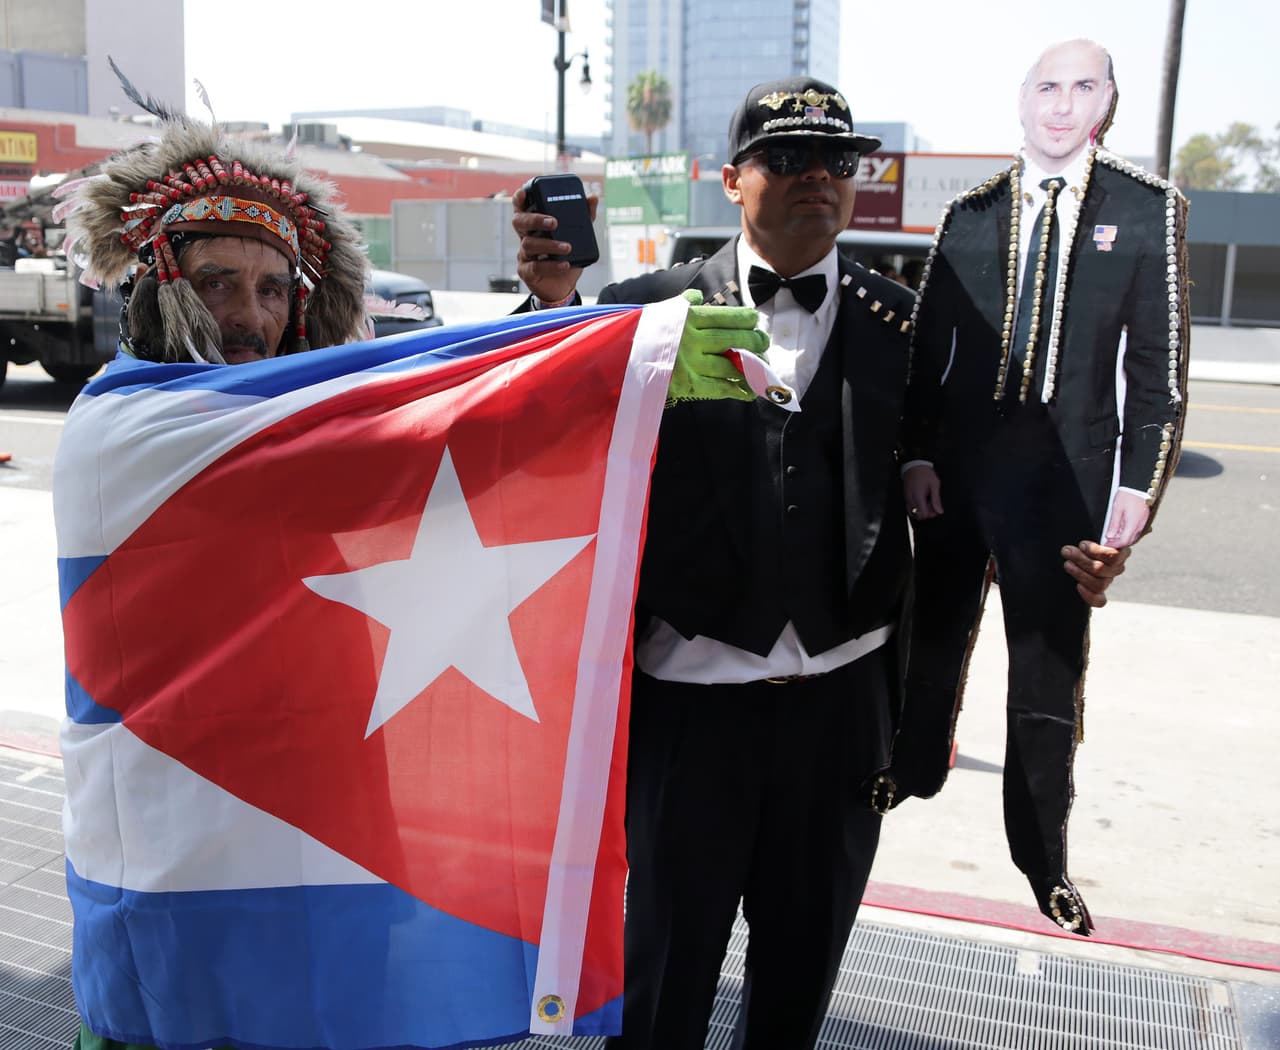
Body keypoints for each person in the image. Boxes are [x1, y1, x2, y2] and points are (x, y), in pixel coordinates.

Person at [516, 75, 1120, 1049]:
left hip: (840, 726)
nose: (817, 177)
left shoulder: (910, 326)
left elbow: (992, 474)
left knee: (796, 992)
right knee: (662, 987)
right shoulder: (640, 318)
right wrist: (550, 311)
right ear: (730, 179)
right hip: (687, 720)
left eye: (838, 160)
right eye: (788, 157)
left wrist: (1067, 550)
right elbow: (537, 444)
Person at [889, 39, 1189, 934]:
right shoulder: (969, 214)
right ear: (1023, 102)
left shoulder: (1146, 210)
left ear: (1108, 103)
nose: (1062, 105)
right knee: (930, 642)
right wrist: (914, 457)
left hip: (1066, 488)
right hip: (959, 479)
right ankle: (908, 769)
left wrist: (1138, 492)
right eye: (1046, 87)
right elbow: (924, 361)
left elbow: (1161, 379)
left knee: (1047, 680)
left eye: (1081, 88)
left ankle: (1042, 857)